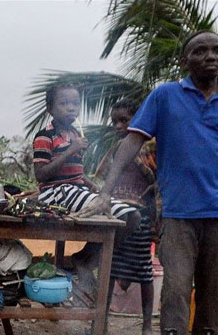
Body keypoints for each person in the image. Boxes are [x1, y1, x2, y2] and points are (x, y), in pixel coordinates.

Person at [88, 31, 218, 335]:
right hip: (179, 214)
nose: (210, 56)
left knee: (210, 291)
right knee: (176, 288)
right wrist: (105, 191)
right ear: (185, 60)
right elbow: (132, 141)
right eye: (200, 50)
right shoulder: (165, 96)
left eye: (217, 50)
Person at [32, 84, 141, 288]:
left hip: (75, 190)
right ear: (50, 108)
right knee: (127, 216)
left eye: (75, 103)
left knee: (133, 217)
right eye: (64, 103)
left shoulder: (75, 134)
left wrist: (95, 188)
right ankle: (83, 261)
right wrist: (70, 150)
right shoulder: (45, 136)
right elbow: (41, 174)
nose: (71, 108)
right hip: (55, 193)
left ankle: (85, 258)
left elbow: (77, 174)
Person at [100, 98, 158, 335]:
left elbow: (159, 179)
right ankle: (101, 322)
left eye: (124, 120)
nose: (118, 126)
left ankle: (147, 328)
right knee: (109, 268)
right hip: (116, 215)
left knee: (144, 271)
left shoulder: (151, 147)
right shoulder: (117, 149)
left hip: (141, 217)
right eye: (114, 121)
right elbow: (105, 177)